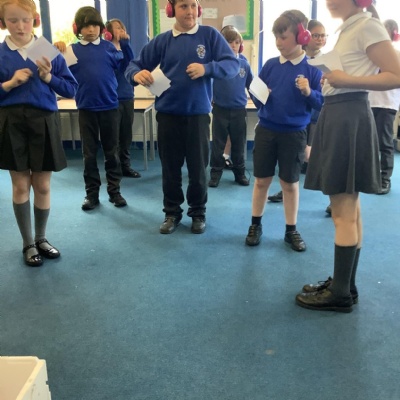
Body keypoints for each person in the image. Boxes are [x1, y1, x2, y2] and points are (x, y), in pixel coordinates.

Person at [296, 0, 400, 313]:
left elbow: (396, 74)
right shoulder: (350, 27)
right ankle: (346, 285)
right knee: (350, 210)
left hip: (348, 114)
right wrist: (334, 78)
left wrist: (346, 80)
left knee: (343, 211)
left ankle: (339, 294)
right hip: (342, 112)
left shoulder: (367, 25)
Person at [125, 0, 239, 234]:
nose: (190, 11)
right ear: (171, 10)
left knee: (198, 170)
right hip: (168, 116)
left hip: (198, 117)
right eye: (183, 6)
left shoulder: (209, 35)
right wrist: (137, 74)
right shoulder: (162, 41)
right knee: (170, 170)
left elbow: (232, 65)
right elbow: (133, 66)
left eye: (193, 6)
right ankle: (172, 213)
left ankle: (198, 213)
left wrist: (207, 68)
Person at [0, 0, 78, 266]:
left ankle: (41, 238)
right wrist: (10, 84)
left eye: (25, 19)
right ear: (3, 23)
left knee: (42, 185)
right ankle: (28, 243)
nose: (20, 26)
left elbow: (71, 89)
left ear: (35, 19)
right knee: (21, 185)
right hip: (12, 122)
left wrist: (48, 78)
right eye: (13, 20)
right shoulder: (1, 53)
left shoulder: (46, 50)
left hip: (43, 121)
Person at [245, 10, 323, 252]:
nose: (278, 43)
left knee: (289, 184)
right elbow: (257, 96)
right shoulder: (270, 65)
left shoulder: (313, 69)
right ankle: (255, 225)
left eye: (284, 37)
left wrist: (308, 92)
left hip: (294, 134)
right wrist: (261, 95)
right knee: (261, 181)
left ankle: (291, 230)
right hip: (266, 131)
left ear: (301, 36)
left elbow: (321, 103)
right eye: (276, 37)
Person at [61, 6, 128, 211]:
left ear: (101, 28)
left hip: (110, 107)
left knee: (112, 152)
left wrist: (124, 43)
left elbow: (125, 65)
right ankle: (91, 194)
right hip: (86, 109)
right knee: (89, 155)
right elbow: (55, 68)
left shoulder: (109, 48)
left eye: (94, 25)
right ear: (77, 28)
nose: (91, 30)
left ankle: (115, 192)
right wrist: (57, 49)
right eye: (86, 26)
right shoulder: (71, 51)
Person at [267, 19, 327, 203]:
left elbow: (323, 97)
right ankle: (285, 190)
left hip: (317, 117)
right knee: (295, 160)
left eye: (322, 35)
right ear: (304, 36)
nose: (319, 39)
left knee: (317, 155)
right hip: (297, 120)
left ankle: (332, 197)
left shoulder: (325, 63)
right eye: (315, 35)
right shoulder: (294, 59)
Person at [208, 25, 253, 188]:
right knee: (218, 144)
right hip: (220, 109)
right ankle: (215, 173)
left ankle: (240, 173)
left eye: (236, 42)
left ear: (240, 44)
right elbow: (208, 84)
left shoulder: (244, 65)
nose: (233, 45)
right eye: (228, 42)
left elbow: (252, 86)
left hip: (239, 111)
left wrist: (264, 98)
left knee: (239, 144)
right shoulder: (216, 64)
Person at [105, 18, 141, 179]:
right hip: (112, 100)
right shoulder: (106, 51)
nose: (121, 30)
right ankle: (114, 168)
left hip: (127, 98)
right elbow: (120, 67)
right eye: (116, 28)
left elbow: (130, 64)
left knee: (126, 136)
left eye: (122, 27)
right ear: (108, 33)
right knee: (113, 137)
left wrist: (126, 45)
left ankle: (125, 166)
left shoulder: (125, 50)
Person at [369, 19, 400, 195]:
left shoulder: (397, 55)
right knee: (370, 142)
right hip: (370, 102)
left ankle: (384, 179)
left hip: (388, 104)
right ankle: (373, 177)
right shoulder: (372, 56)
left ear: (393, 35)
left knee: (385, 143)